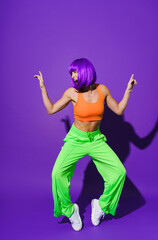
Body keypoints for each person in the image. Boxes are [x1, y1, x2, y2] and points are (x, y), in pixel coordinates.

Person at [34, 58, 137, 231]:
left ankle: (101, 206)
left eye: (75, 72)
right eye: (71, 73)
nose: (73, 76)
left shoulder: (102, 89)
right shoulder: (72, 93)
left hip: (96, 140)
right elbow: (51, 109)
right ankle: (70, 211)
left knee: (119, 172)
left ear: (85, 71)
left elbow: (118, 110)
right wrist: (43, 88)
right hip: (76, 139)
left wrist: (128, 91)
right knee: (57, 173)